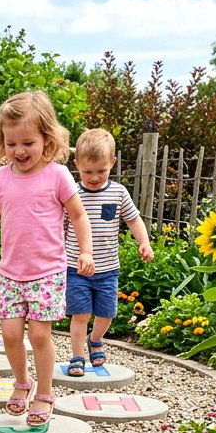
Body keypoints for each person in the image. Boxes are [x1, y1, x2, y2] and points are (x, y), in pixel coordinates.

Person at [0, 91, 94, 426]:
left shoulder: (57, 175)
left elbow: (79, 215)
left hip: (47, 272)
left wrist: (86, 251)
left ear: (47, 139)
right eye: (11, 143)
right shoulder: (0, 178)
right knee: (9, 334)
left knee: (39, 336)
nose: (19, 151)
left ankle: (45, 393)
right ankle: (22, 382)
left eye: (28, 143)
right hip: (10, 274)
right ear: (2, 141)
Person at [65, 128, 153, 375]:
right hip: (76, 268)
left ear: (112, 163)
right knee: (80, 314)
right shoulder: (72, 194)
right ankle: (77, 357)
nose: (94, 177)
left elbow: (133, 220)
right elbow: (60, 225)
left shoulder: (118, 192)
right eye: (87, 172)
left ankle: (95, 340)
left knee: (106, 314)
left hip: (108, 269)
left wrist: (144, 242)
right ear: (77, 165)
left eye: (101, 171)